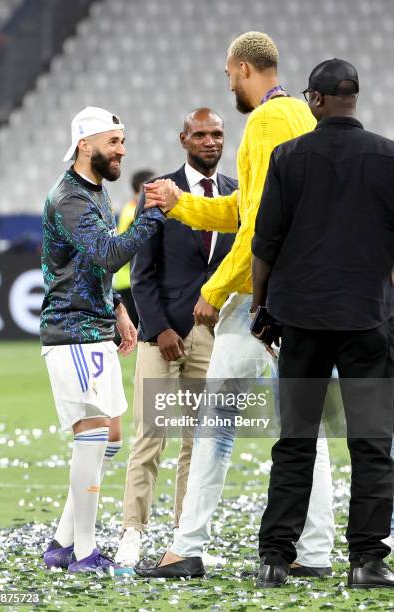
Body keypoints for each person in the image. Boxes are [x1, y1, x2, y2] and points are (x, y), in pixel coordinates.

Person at [135, 31, 335, 579]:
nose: (228, 86)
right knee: (305, 430)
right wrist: (182, 206)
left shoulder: (266, 122)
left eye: (228, 76)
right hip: (299, 298)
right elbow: (247, 211)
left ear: (245, 69)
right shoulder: (301, 116)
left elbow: (259, 230)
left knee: (215, 429)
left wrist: (215, 288)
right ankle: (315, 552)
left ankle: (187, 546)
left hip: (256, 300)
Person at [251, 59, 394, 588]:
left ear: (315, 100)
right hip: (368, 318)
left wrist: (262, 308)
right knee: (371, 443)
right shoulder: (387, 156)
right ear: (353, 97)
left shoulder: (289, 156)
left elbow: (265, 243)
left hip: (302, 320)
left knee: (295, 441)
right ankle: (368, 561)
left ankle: (274, 558)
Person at [40, 106, 166, 574]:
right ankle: (85, 553)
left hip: (94, 325)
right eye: (114, 141)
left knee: (109, 436)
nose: (122, 150)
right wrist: (152, 215)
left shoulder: (97, 191)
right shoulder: (69, 197)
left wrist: (117, 310)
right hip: (72, 332)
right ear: (85, 144)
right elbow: (110, 252)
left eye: (123, 140)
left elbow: (94, 263)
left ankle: (62, 542)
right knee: (93, 434)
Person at [115, 108, 236, 567]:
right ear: (183, 139)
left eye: (217, 134)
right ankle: (133, 532)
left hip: (212, 335)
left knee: (198, 443)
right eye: (201, 134)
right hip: (160, 335)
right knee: (150, 436)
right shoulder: (159, 192)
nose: (210, 141)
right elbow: (142, 274)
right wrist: (161, 328)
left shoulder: (234, 194)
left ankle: (184, 541)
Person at [113, 169, 155, 328]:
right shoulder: (136, 213)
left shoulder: (129, 207)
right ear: (143, 186)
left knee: (132, 325)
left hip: (126, 277)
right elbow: (139, 246)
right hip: (131, 277)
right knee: (135, 326)